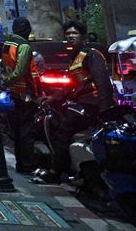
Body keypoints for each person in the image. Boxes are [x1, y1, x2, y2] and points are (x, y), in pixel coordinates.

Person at [36, 19, 115, 183]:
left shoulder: (91, 55)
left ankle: (56, 171)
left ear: (83, 36)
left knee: (62, 130)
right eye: (68, 34)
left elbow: (102, 84)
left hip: (92, 106)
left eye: (74, 33)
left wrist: (105, 111)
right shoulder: (76, 57)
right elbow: (72, 86)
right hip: (81, 104)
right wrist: (52, 98)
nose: (71, 36)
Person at [0, 17, 40, 174]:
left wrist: (6, 83)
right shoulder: (23, 46)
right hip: (25, 94)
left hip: (14, 94)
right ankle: (28, 165)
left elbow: (5, 67)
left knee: (17, 131)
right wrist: (8, 82)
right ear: (27, 30)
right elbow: (21, 70)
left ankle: (21, 164)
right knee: (26, 132)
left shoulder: (7, 44)